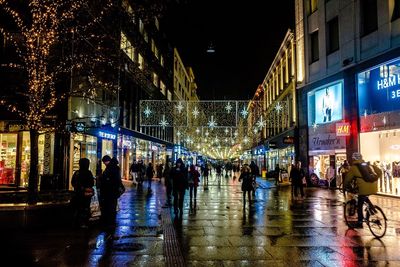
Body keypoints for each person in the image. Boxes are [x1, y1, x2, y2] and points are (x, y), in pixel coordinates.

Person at [344, 152, 378, 228]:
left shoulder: (354, 167)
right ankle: (373, 210)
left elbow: (347, 179)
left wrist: (344, 187)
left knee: (359, 205)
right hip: (373, 186)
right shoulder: (366, 164)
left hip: (364, 188)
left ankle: (360, 223)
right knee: (365, 197)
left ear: (354, 158)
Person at [98, 155, 122, 227]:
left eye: (104, 162)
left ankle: (110, 222)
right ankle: (111, 221)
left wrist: (102, 178)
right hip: (112, 191)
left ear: (107, 161)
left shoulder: (111, 168)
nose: (104, 164)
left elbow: (110, 179)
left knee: (110, 206)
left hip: (110, 191)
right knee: (111, 206)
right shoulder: (113, 167)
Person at [71, 158, 95, 228]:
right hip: (86, 194)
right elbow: (92, 183)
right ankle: (83, 223)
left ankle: (76, 223)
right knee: (85, 208)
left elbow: (72, 182)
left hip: (78, 194)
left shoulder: (77, 173)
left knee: (78, 208)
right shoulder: (88, 173)